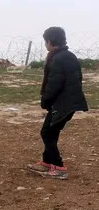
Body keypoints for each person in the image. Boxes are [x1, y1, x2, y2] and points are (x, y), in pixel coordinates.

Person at [28, 27, 88, 180]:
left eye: (45, 42)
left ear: (49, 41)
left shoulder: (58, 58)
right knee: (50, 132)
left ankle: (59, 167)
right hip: (67, 103)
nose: (45, 45)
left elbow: (53, 84)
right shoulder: (68, 56)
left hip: (63, 104)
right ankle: (47, 162)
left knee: (47, 133)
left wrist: (45, 101)